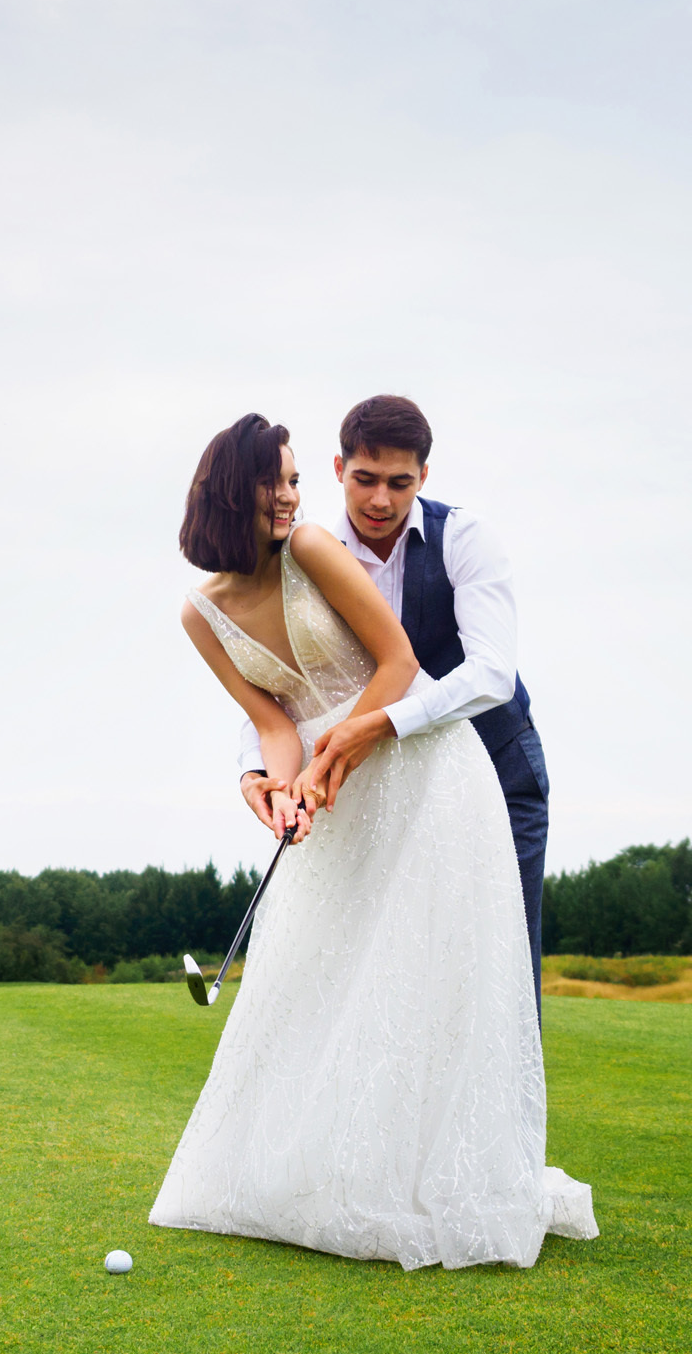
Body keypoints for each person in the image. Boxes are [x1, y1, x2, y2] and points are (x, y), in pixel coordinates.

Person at [149, 412, 594, 1269]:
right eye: (274, 481)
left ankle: (447, 1178)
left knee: (436, 970)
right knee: (336, 976)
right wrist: (277, 788)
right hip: (338, 785)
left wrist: (340, 747)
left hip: (426, 772)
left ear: (421, 477)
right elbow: (271, 721)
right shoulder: (199, 616)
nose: (288, 497)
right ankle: (340, 1178)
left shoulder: (321, 547)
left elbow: (400, 666)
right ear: (227, 489)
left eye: (290, 481)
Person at [235, 395, 551, 1016]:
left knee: (500, 974)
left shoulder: (466, 537)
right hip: (391, 798)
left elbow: (493, 673)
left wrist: (377, 724)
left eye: (400, 483)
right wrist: (255, 771)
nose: (381, 500)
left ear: (424, 477)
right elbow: (275, 682)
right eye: (366, 479)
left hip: (500, 773)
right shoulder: (306, 558)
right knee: (394, 979)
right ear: (338, 468)